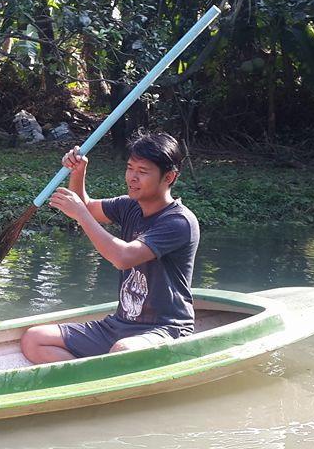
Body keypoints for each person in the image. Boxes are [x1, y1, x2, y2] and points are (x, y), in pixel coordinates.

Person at [20, 132, 199, 363]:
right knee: (35, 338)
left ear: (169, 177)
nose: (132, 177)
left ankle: (96, 384)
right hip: (120, 324)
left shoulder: (178, 221)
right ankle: (85, 385)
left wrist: (81, 214)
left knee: (123, 350)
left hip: (165, 329)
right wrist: (78, 171)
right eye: (130, 168)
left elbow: (123, 257)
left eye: (142, 172)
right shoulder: (130, 206)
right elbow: (85, 205)